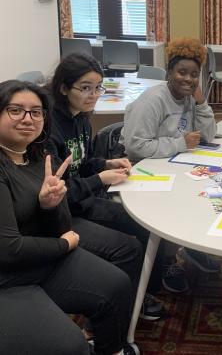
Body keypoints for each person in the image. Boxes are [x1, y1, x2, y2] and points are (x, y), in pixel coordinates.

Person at [0, 80, 138, 355]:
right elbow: (8, 250)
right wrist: (64, 245)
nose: (28, 119)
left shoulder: (37, 157)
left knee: (116, 284)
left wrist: (48, 205)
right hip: (8, 277)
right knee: (70, 346)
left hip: (42, 258)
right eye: (16, 110)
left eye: (36, 112)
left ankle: (111, 349)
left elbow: (62, 223)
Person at [46, 53, 165, 320]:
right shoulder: (50, 128)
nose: (94, 94)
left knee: (144, 223)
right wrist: (101, 179)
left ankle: (141, 291)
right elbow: (60, 191)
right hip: (63, 213)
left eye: (98, 87)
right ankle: (109, 314)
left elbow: (84, 162)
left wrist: (105, 163)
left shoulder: (81, 119)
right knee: (128, 248)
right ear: (64, 88)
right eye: (85, 88)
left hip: (82, 201)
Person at [122, 37, 219, 281]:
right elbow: (135, 148)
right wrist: (180, 144)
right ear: (169, 72)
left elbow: (207, 135)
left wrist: (201, 101)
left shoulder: (189, 98)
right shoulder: (152, 101)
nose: (188, 79)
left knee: (207, 191)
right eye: (182, 72)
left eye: (194, 74)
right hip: (140, 167)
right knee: (174, 204)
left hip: (171, 161)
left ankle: (192, 247)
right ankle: (166, 262)